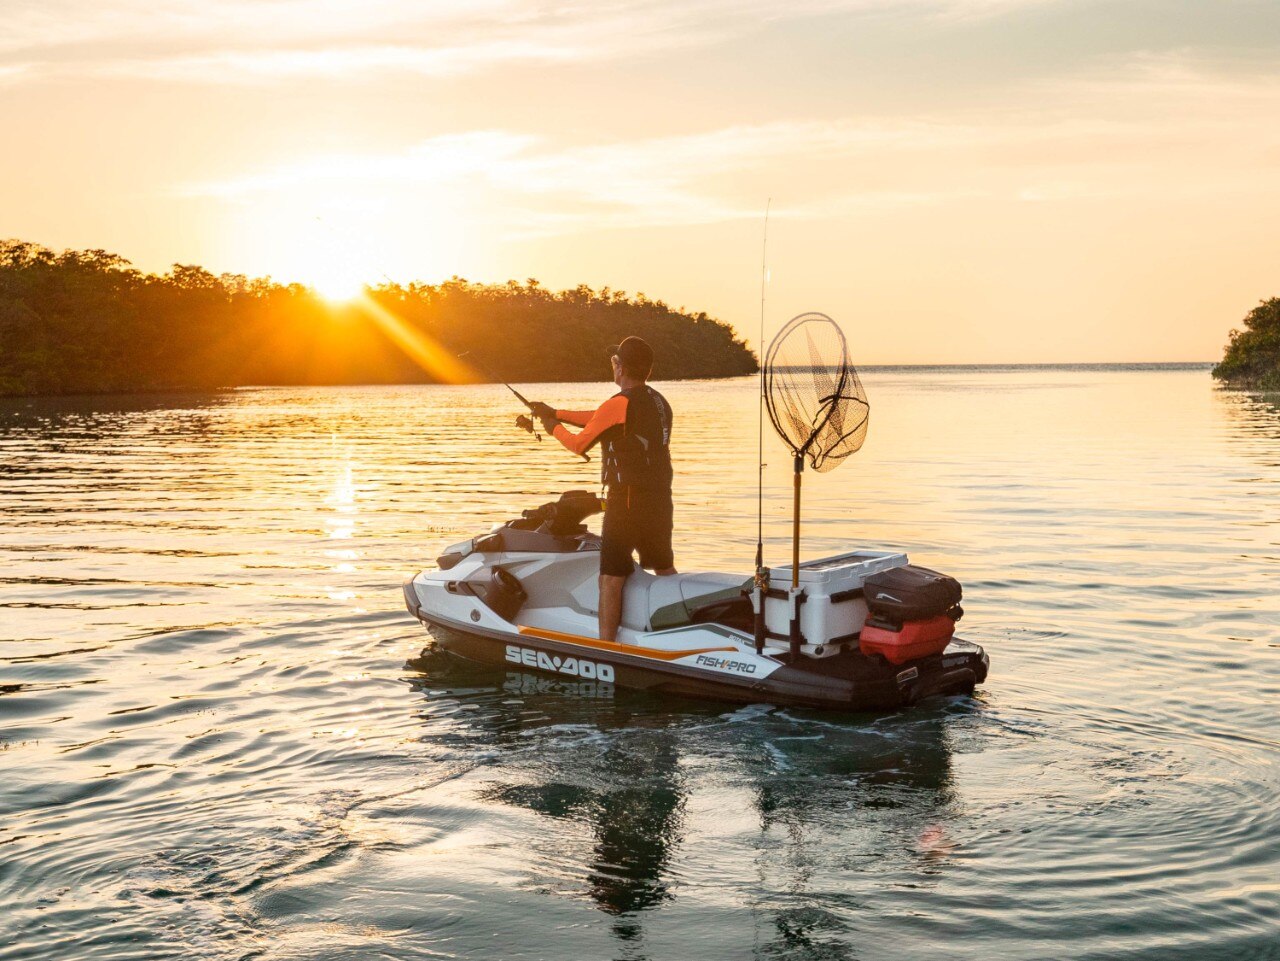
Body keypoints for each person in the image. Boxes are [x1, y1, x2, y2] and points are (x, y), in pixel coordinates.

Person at [530, 336, 676, 642]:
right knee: (663, 567)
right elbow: (600, 418)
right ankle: (679, 629)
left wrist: (553, 429)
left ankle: (606, 649)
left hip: (626, 502)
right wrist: (556, 413)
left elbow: (580, 441)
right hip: (660, 500)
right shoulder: (659, 401)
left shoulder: (619, 404)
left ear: (620, 368)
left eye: (615, 362)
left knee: (611, 578)